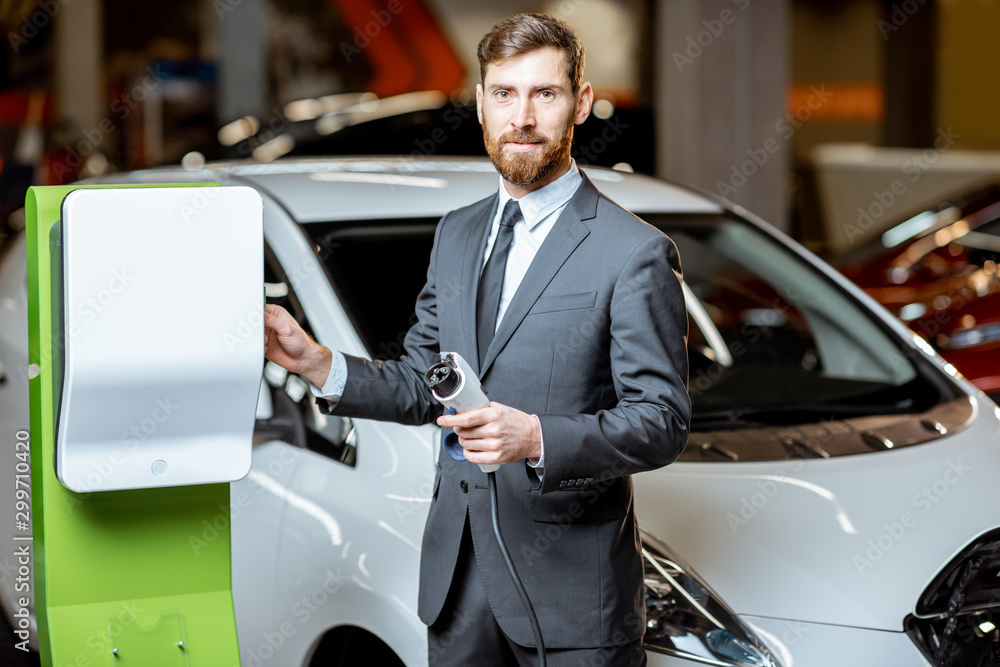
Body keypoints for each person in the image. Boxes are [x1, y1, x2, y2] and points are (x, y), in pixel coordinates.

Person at [263, 12, 689, 666]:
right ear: (483, 106)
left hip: (574, 608)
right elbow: (422, 383)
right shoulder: (457, 234)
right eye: (504, 94)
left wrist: (538, 437)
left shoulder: (632, 253)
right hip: (458, 591)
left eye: (544, 94)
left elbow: (660, 421)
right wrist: (319, 364)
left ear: (578, 104)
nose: (521, 117)